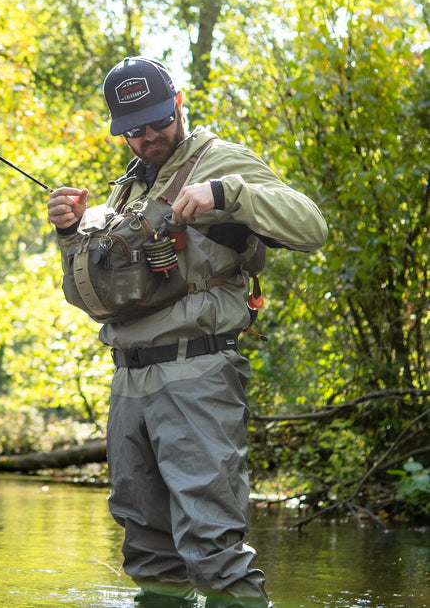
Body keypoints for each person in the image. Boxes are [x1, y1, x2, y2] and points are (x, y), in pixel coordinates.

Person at [47, 56, 328, 608]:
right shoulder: (125, 189)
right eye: (133, 128)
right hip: (129, 381)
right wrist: (70, 231)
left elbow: (310, 226)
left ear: (178, 104)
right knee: (147, 550)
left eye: (156, 120)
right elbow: (108, 290)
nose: (148, 136)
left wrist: (228, 195)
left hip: (197, 373)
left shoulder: (221, 160)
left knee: (212, 547)